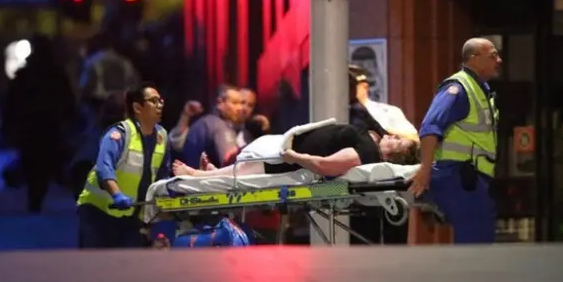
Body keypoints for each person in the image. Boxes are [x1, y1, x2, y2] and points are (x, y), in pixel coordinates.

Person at [408, 37, 502, 244]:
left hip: (472, 177)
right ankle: (470, 277)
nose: (499, 60)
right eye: (493, 56)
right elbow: (430, 127)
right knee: (476, 241)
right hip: (459, 175)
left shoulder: (481, 91)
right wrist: (424, 170)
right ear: (474, 59)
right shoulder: (458, 88)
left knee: (480, 238)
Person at [76, 85, 171, 248]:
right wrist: (117, 195)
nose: (159, 105)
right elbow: (104, 168)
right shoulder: (119, 134)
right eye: (153, 101)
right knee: (95, 265)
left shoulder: (162, 136)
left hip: (130, 215)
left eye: (160, 101)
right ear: (137, 108)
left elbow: (162, 174)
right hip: (99, 211)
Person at [1, 33, 76, 213]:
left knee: (33, 162)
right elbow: (68, 100)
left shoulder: (25, 74)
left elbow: (11, 102)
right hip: (49, 125)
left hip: (30, 127)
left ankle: (35, 196)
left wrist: (9, 125)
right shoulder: (56, 74)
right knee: (48, 160)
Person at [172, 123, 417, 178]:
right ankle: (218, 171)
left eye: (398, 141)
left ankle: (198, 176)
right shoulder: (370, 141)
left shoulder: (366, 153)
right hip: (286, 145)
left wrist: (293, 156)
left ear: (393, 155)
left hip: (287, 159)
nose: (394, 135)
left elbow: (325, 165)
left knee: (249, 169)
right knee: (245, 166)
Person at [349, 64, 420, 143]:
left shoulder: (388, 112)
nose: (348, 90)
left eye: (351, 86)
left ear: (364, 87)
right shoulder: (340, 112)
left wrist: (383, 131)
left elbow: (414, 138)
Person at [181, 84, 242, 169]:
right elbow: (231, 164)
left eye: (241, 103)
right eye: (234, 103)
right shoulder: (219, 126)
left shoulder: (203, 122)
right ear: (219, 103)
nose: (240, 108)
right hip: (207, 180)